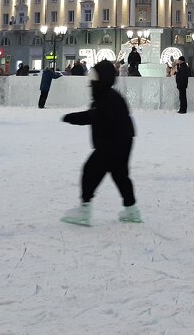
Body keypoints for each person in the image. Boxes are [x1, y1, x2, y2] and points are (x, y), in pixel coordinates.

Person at [60, 61, 140, 226]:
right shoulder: (106, 95)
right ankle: (132, 210)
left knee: (90, 171)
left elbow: (94, 116)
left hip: (112, 144)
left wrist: (71, 117)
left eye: (93, 76)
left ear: (101, 79)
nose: (90, 81)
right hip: (121, 141)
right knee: (120, 176)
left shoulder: (107, 97)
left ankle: (84, 209)